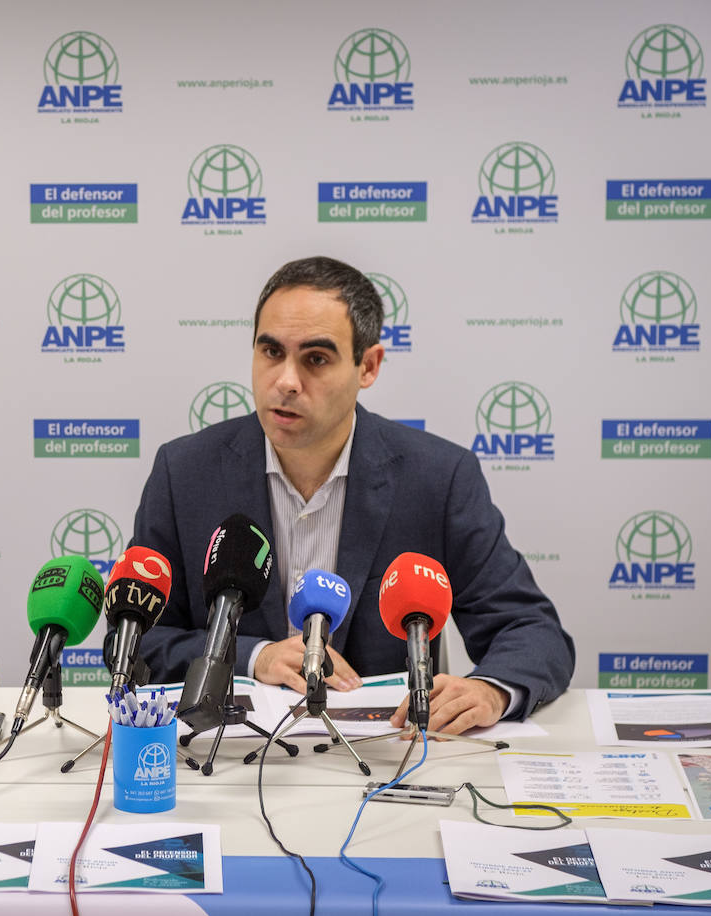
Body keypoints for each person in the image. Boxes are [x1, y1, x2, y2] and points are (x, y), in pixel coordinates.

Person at [132, 256, 574, 734]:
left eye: (316, 359)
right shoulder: (186, 472)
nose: (285, 381)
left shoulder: (438, 478)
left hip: (383, 762)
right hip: (227, 759)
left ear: (368, 365)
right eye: (271, 352)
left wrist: (491, 690)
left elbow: (533, 631)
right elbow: (136, 640)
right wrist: (253, 656)